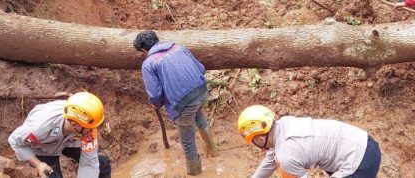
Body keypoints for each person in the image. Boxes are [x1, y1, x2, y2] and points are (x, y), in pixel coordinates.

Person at [134, 31, 218, 175]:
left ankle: (195, 172)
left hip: (184, 103)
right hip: (202, 92)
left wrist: (156, 103)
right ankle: (213, 152)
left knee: (187, 140)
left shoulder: (149, 63)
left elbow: (154, 94)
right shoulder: (180, 48)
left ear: (143, 50)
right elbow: (201, 69)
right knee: (199, 117)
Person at [238, 105, 381, 178]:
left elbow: (283, 159)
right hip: (365, 143)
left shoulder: (286, 155)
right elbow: (270, 160)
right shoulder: (284, 125)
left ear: (260, 138)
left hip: (359, 163)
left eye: (253, 141)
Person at [8, 92, 111, 178]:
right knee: (50, 175)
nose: (93, 129)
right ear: (74, 124)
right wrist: (38, 165)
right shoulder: (39, 128)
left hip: (70, 141)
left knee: (101, 161)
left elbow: (90, 163)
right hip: (43, 147)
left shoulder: (88, 124)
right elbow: (15, 141)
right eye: (90, 127)